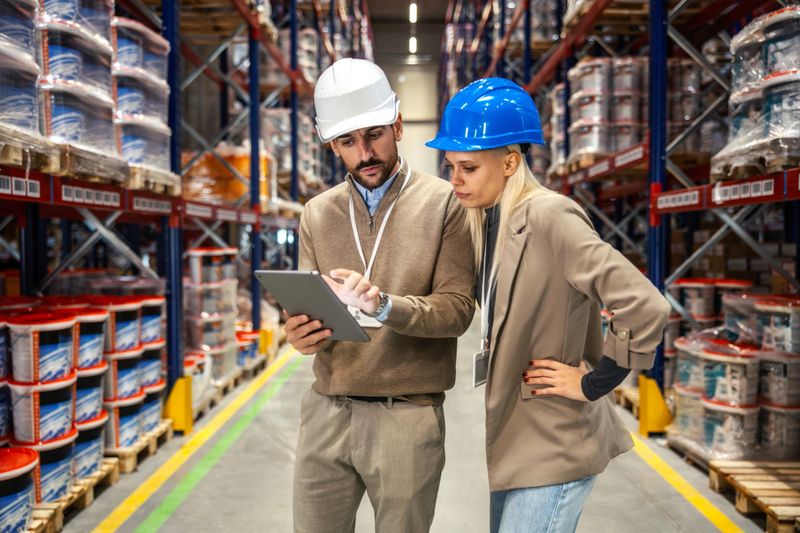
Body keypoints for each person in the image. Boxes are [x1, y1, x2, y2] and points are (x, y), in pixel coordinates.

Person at [426, 77, 671, 533]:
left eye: (468, 168)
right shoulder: (489, 222)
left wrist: (596, 382)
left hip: (555, 437)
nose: (454, 181)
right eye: (450, 167)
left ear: (510, 162)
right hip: (518, 436)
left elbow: (645, 305)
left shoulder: (549, 215)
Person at [284, 58, 475, 533]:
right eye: (347, 142)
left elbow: (457, 310)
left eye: (374, 135)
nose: (364, 152)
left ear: (397, 125)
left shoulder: (445, 202)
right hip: (328, 409)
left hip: (405, 415)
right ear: (332, 145)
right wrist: (299, 333)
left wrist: (384, 304)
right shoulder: (316, 213)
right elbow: (309, 305)